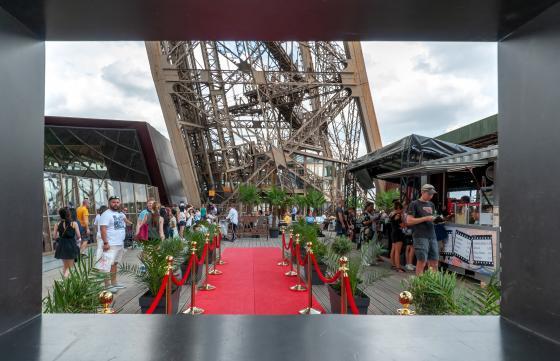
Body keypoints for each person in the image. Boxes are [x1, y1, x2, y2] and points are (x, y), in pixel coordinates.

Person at [98, 196, 130, 292]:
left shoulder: (119, 213)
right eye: (113, 202)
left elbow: (127, 222)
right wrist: (105, 242)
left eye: (117, 202)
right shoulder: (106, 214)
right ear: (109, 203)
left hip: (119, 243)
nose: (115, 204)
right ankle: (107, 285)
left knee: (114, 264)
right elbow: (102, 229)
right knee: (107, 265)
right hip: (111, 244)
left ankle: (114, 282)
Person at [406, 184, 439, 275]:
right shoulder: (414, 204)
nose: (431, 196)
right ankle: (420, 286)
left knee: (434, 261)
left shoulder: (431, 204)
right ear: (422, 192)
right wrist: (425, 218)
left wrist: (437, 220)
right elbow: (409, 221)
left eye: (432, 194)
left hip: (432, 235)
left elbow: (431, 218)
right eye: (429, 194)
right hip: (420, 236)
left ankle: (434, 285)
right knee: (422, 261)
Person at [53, 207, 81, 277]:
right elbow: (78, 236)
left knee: (65, 266)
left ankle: (65, 285)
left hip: (61, 246)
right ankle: (64, 281)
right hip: (71, 245)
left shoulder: (57, 224)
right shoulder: (74, 224)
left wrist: (61, 238)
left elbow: (54, 237)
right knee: (70, 267)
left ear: (60, 215)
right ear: (69, 214)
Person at [389, 201, 405, 272]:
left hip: (394, 232)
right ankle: (398, 268)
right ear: (398, 208)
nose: (402, 210)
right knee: (397, 251)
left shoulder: (392, 213)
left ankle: (393, 264)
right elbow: (402, 225)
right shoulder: (398, 215)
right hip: (398, 233)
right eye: (402, 209)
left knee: (394, 250)